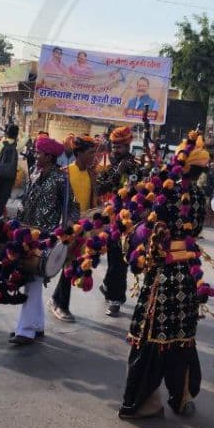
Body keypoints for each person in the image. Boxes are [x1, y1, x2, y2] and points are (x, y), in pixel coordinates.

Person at [118, 133, 211, 419]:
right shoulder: (198, 196)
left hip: (160, 274)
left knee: (151, 336)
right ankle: (180, 398)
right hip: (185, 276)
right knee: (181, 337)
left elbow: (141, 224)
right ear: (198, 172)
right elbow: (194, 230)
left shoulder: (161, 190)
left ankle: (143, 401)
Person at [10, 135, 72, 346]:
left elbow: (70, 208)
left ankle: (25, 330)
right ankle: (36, 326)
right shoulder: (34, 173)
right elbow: (26, 201)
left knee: (33, 283)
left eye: (39, 153)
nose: (35, 155)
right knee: (30, 281)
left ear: (50, 156)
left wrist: (65, 232)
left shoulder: (61, 179)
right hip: (27, 233)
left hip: (46, 237)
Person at [48, 135, 97, 323]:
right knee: (68, 265)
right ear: (79, 153)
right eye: (90, 153)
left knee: (72, 266)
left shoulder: (92, 175)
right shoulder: (65, 173)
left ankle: (57, 300)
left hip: (85, 228)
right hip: (66, 228)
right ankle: (61, 305)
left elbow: (94, 200)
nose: (93, 157)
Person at [95, 125, 140, 317]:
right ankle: (109, 287)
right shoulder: (112, 166)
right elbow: (102, 186)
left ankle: (115, 299)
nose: (115, 150)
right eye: (113, 146)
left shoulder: (134, 167)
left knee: (120, 259)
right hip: (109, 217)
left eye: (119, 147)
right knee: (114, 258)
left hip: (127, 220)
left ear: (127, 147)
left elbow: (135, 191)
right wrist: (115, 172)